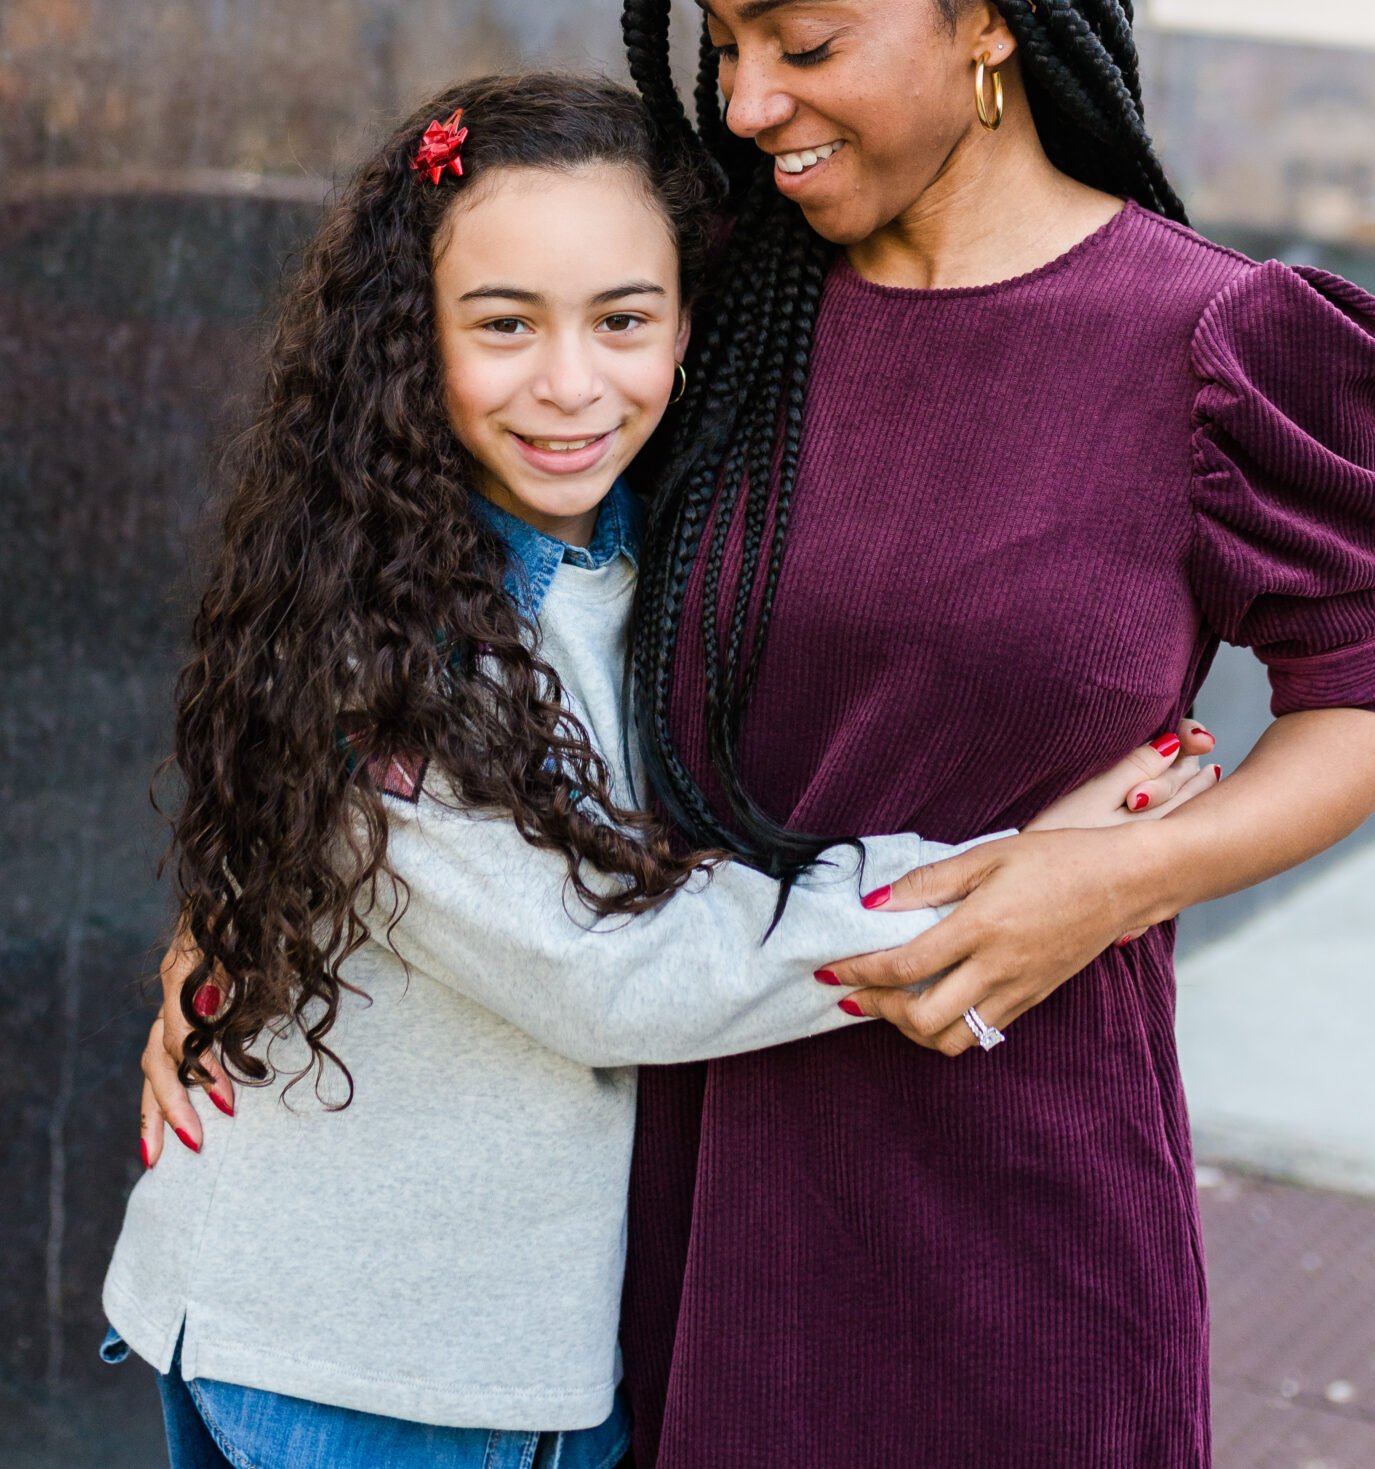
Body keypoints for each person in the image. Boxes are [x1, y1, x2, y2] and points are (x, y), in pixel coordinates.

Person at [114, 72, 1215, 1469]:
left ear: (690, 327)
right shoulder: (397, 639)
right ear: (409, 344)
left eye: (623, 320)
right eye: (504, 324)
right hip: (378, 1372)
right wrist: (1018, 878)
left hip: (380, 1325)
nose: (572, 383)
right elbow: (612, 971)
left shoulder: (635, 549)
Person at [609, 0, 1375, 1468]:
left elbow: (1362, 709)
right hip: (680, 1166)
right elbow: (426, 583)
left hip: (1018, 1195)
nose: (745, 103)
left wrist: (1111, 877)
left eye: (804, 39)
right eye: (726, 40)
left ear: (990, 12)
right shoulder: (699, 302)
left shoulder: (1214, 342)